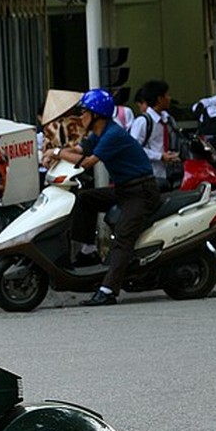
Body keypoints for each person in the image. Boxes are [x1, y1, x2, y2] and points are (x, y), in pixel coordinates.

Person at [42, 89, 160, 307]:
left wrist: (57, 153)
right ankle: (88, 252)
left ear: (96, 114)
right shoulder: (98, 133)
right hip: (124, 189)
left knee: (124, 237)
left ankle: (108, 290)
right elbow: (78, 149)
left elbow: (87, 162)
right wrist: (53, 154)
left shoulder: (113, 134)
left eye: (84, 112)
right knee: (85, 199)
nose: (80, 117)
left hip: (141, 192)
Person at [129, 80, 180, 189]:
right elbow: (134, 149)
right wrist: (160, 156)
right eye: (167, 95)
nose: (169, 98)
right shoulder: (143, 121)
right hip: (151, 175)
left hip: (170, 173)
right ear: (159, 99)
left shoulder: (168, 120)